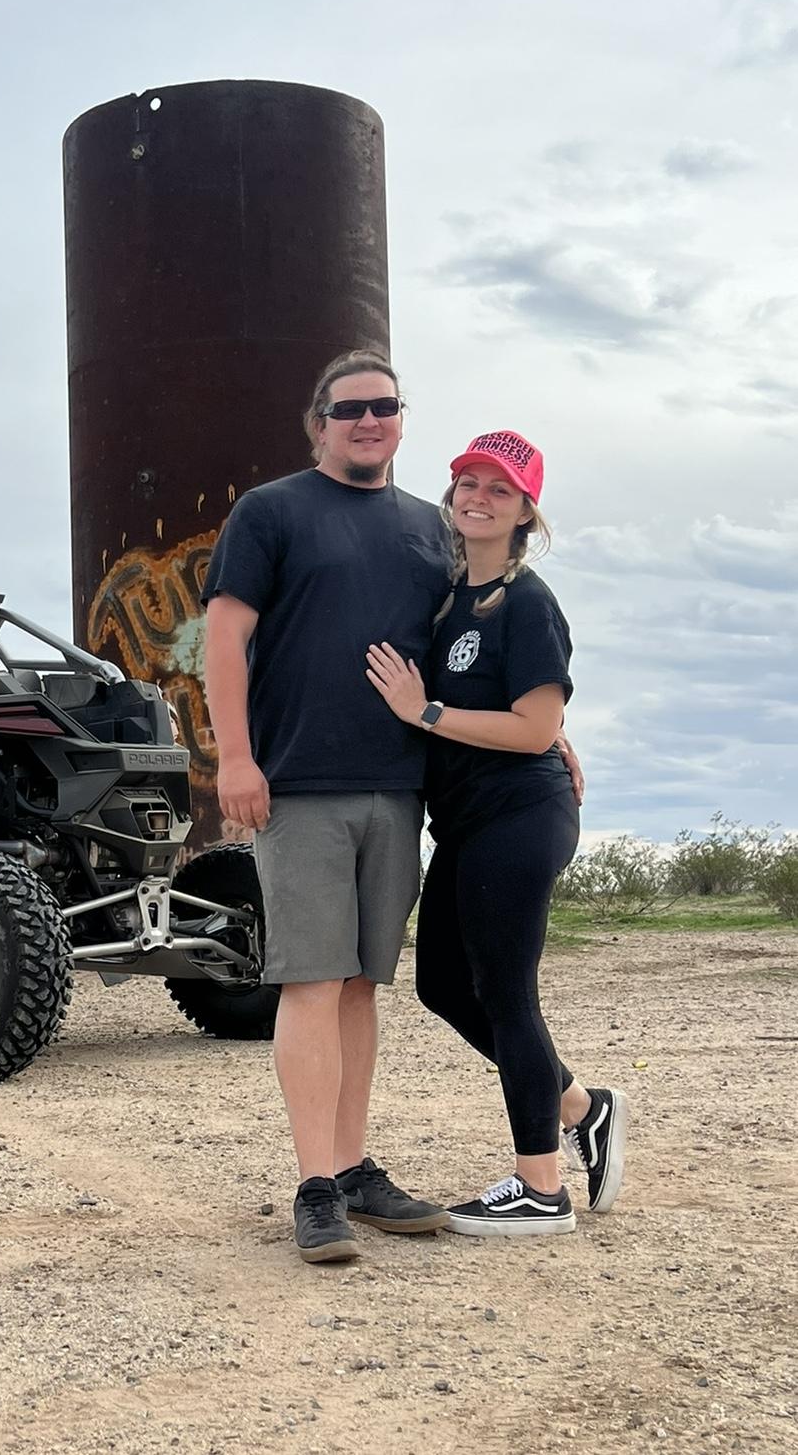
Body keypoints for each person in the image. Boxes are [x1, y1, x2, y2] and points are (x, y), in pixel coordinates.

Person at [201, 349, 458, 1265]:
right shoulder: (270, 512)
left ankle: (352, 1170)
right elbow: (224, 635)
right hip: (300, 785)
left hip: (399, 786)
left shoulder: (431, 529)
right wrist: (236, 757)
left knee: (358, 985)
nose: (368, 420)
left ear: (401, 419)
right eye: (349, 409)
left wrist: (550, 730)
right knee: (311, 979)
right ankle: (315, 1189)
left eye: (384, 406)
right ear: (319, 423)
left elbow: (472, 648)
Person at [364, 431, 626, 1235]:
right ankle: (580, 1106)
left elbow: (535, 727)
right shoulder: (451, 600)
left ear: (524, 513)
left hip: (520, 817)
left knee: (507, 994)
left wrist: (424, 711)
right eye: (468, 483)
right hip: (468, 824)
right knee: (443, 986)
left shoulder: (528, 602)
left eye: (499, 489)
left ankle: (540, 1188)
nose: (478, 498)